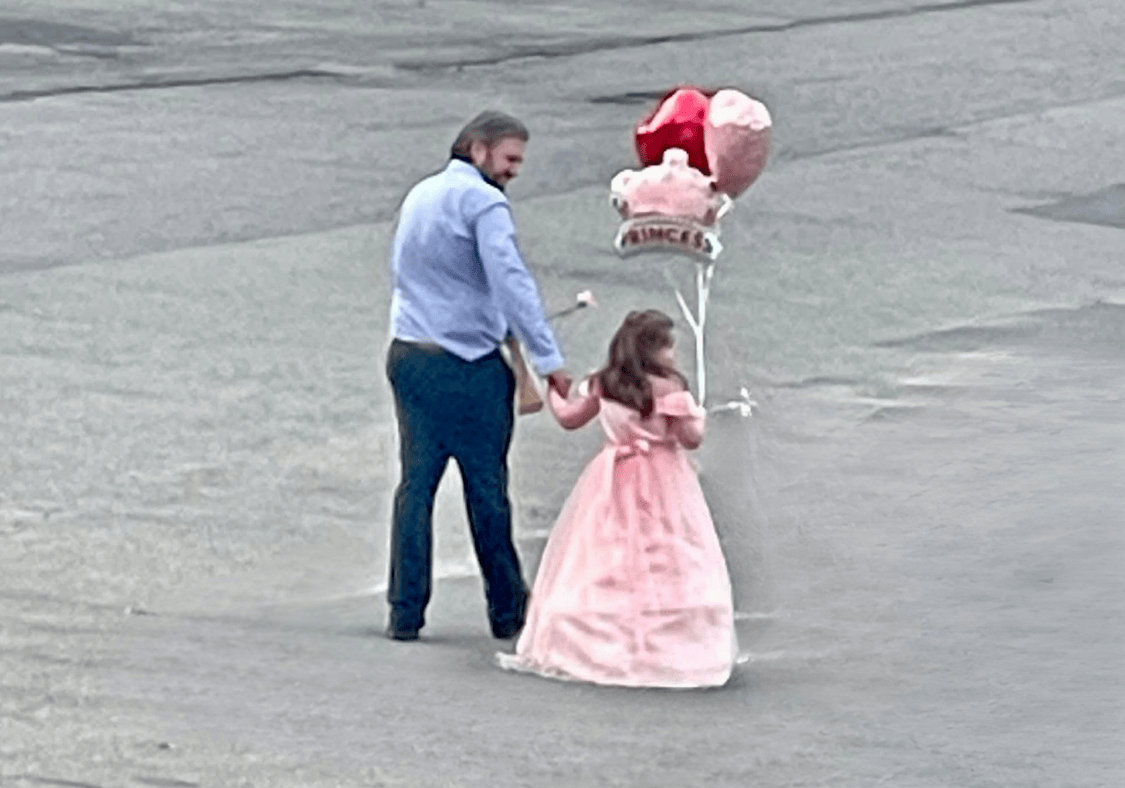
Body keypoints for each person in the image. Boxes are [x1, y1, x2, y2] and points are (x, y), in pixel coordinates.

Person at [385, 110, 572, 642]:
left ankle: (405, 611)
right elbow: (510, 280)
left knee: (416, 486)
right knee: (486, 489)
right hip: (468, 363)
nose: (514, 170)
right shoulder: (484, 202)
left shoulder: (420, 194)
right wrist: (548, 360)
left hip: (410, 354)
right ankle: (507, 609)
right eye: (510, 158)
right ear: (478, 149)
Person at [497, 309, 736, 687]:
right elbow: (691, 439)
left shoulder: (603, 383)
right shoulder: (670, 389)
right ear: (651, 350)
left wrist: (554, 391)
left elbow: (570, 418)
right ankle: (668, 636)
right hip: (663, 479)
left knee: (608, 548)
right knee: (668, 547)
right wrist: (697, 415)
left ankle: (602, 635)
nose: (674, 353)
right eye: (668, 346)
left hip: (613, 476)